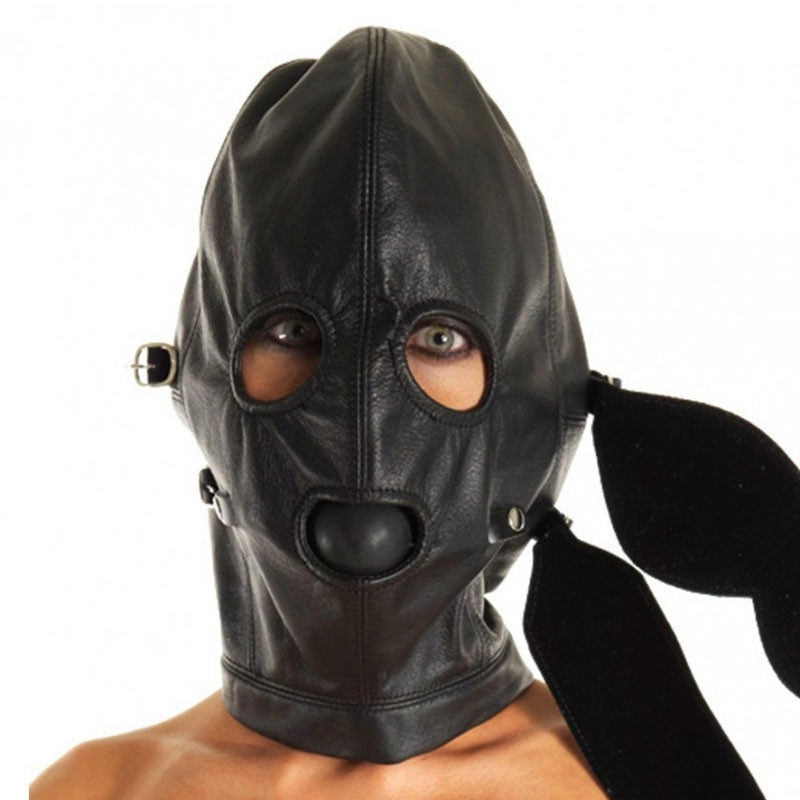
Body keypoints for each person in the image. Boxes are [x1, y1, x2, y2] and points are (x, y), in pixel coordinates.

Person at [30, 28, 797, 799]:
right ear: (203, 375)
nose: (366, 411)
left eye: (439, 339)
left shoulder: (633, 784)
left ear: (534, 391)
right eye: (292, 331)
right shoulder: (95, 789)